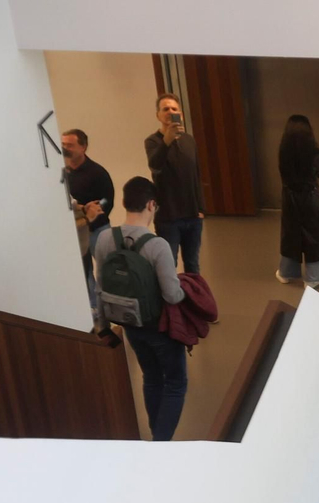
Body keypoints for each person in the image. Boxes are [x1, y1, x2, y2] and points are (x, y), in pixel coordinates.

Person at [92, 177, 188, 441]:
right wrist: (187, 290)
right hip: (159, 328)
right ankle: (160, 443)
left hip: (129, 325)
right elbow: (172, 295)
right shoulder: (158, 246)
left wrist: (103, 327)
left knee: (152, 378)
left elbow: (100, 287)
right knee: (176, 383)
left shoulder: (104, 239)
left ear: (124, 202)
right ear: (151, 205)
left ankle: (156, 438)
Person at [144, 93, 206, 274]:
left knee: (193, 264)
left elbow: (196, 175)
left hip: (193, 215)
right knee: (168, 264)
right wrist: (167, 140)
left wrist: (201, 208)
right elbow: (155, 165)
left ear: (181, 114)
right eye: (165, 109)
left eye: (174, 109)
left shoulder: (189, 140)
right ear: (158, 115)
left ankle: (193, 292)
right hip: (168, 216)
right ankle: (171, 293)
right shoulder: (153, 141)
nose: (170, 112)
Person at [274, 114, 319, 288]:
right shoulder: (314, 153)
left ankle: (286, 273)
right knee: (314, 236)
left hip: (289, 199)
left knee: (291, 235)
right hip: (309, 198)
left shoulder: (283, 151)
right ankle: (313, 278)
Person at [62, 129, 114, 319]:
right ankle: (93, 308)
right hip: (77, 232)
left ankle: (110, 308)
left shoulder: (97, 172)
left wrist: (96, 209)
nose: (65, 148)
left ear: (83, 147)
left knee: (105, 271)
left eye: (70, 145)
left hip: (98, 229)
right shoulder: (62, 173)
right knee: (85, 272)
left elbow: (108, 199)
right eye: (63, 144)